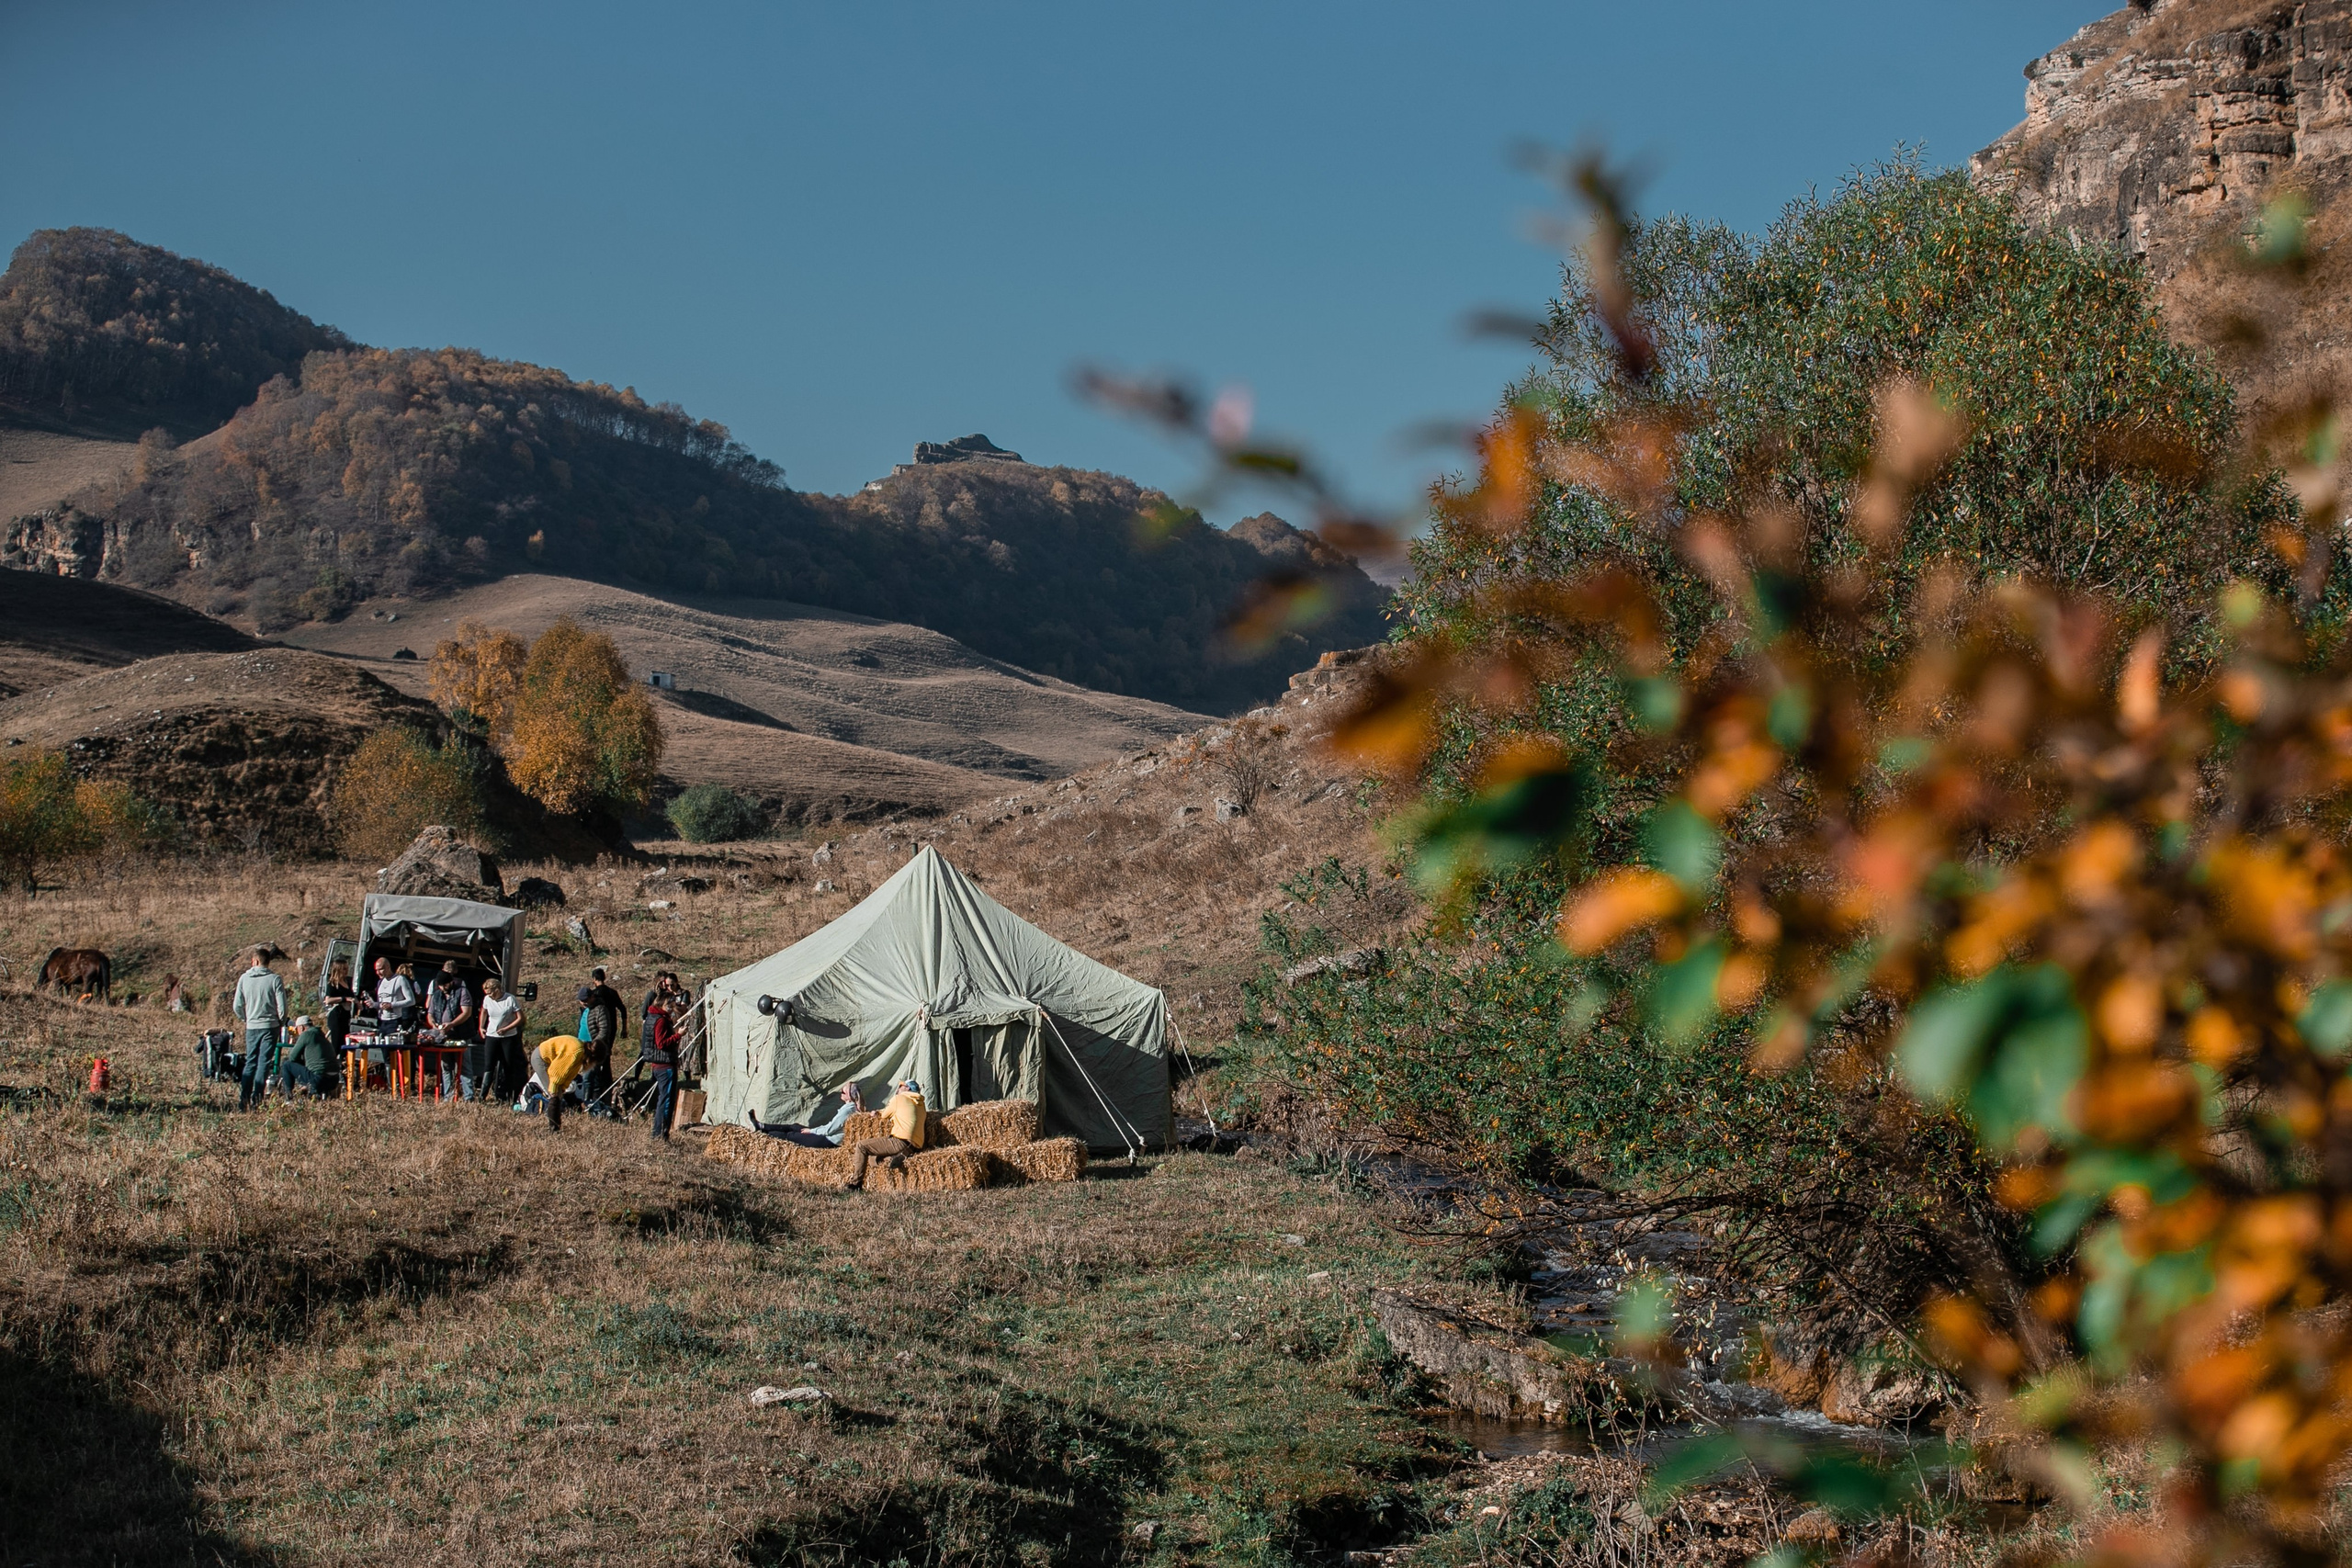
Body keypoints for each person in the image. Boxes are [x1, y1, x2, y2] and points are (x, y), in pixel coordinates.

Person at [842, 1079, 926, 1190]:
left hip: (900, 1141)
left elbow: (885, 1114)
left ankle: (855, 1184)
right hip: (916, 1146)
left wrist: (877, 1112)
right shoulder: (921, 1104)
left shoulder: (899, 1098)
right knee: (872, 1159)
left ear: (907, 1088)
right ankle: (892, 1158)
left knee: (861, 1146)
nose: (898, 1088)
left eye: (901, 1086)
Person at [232, 947, 288, 1111]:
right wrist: (281, 1021)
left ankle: (244, 1100)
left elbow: (237, 1005)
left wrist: (246, 1018)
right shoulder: (275, 979)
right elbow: (283, 1007)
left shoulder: (244, 978)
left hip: (252, 1026)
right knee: (264, 1063)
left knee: (250, 1061)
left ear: (256, 961)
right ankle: (257, 1099)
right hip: (270, 1026)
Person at [749, 1081, 862, 1146]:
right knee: (795, 1127)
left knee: (791, 1136)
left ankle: (763, 1133)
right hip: (827, 1136)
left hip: (829, 1140)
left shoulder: (848, 1110)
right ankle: (762, 1126)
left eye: (843, 1091)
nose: (840, 1093)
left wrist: (811, 1131)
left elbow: (829, 1130)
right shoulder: (850, 1107)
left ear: (849, 1096)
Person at [581, 966, 628, 1118]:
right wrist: (624, 1028)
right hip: (610, 1032)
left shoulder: (595, 999)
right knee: (605, 1062)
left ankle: (598, 1096)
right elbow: (623, 1009)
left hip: (597, 1036)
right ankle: (607, 1090)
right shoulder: (612, 993)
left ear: (594, 979)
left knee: (594, 1067)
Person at [426, 960, 477, 1100]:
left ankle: (469, 1096)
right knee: (446, 1066)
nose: (443, 988)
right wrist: (434, 1024)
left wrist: (452, 1024)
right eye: (441, 985)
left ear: (451, 982)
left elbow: (466, 1012)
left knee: (465, 1066)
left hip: (461, 1035)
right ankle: (448, 1096)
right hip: (443, 1037)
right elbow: (430, 1013)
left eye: (445, 985)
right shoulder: (437, 995)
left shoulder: (462, 992)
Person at [528, 1032, 588, 1132]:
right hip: (540, 1058)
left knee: (558, 1095)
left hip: (547, 1059)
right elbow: (556, 1072)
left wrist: (563, 1088)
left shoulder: (581, 1053)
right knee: (554, 1096)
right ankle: (553, 1128)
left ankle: (556, 1126)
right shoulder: (576, 1052)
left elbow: (570, 1073)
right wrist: (554, 1089)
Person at [479, 976, 526, 1102]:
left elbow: (520, 1018)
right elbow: (484, 1011)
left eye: (490, 993)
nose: (489, 996)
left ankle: (509, 1096)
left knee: (508, 1066)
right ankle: (482, 1096)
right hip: (492, 1035)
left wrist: (507, 1028)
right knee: (489, 1066)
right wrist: (481, 1027)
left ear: (497, 990)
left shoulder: (510, 999)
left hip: (508, 1036)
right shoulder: (487, 999)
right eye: (487, 994)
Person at [643, 990, 681, 1144]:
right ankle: (661, 1134)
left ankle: (658, 1133)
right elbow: (661, 1043)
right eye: (668, 1005)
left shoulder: (652, 1017)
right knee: (666, 1101)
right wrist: (678, 1035)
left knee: (662, 1099)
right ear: (661, 1004)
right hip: (665, 1065)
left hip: (657, 1065)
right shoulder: (661, 1021)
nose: (671, 1009)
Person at [281, 1014, 332, 1099]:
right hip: (333, 1078)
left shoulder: (306, 1034)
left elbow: (292, 1057)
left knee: (287, 1064)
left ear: (301, 1027)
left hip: (318, 1078)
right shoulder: (320, 1034)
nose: (297, 1032)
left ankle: (288, 1098)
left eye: (296, 1029)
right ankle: (309, 1090)